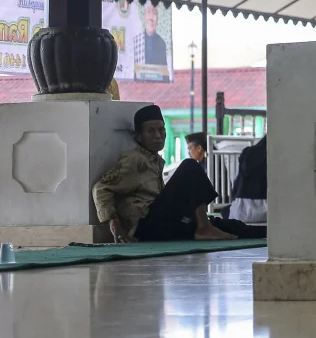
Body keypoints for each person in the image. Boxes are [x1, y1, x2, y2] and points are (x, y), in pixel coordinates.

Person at [92, 104, 265, 242]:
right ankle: (203, 227)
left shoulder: (155, 161)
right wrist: (113, 221)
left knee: (231, 226)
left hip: (163, 225)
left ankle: (271, 233)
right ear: (139, 136)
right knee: (189, 166)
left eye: (161, 130)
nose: (158, 136)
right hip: (145, 226)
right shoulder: (134, 159)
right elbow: (101, 188)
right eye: (150, 131)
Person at [229, 135, 267, 224]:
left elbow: (236, 187)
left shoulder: (248, 152)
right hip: (268, 211)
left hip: (240, 211)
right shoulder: (276, 155)